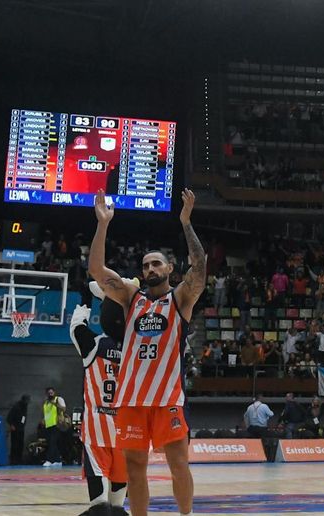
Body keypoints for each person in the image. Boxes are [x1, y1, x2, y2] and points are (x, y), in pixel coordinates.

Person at [89, 189, 206, 516]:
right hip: (131, 400)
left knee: (179, 465)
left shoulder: (181, 298)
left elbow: (200, 268)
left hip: (167, 399)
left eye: (157, 263)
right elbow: (97, 270)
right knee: (134, 467)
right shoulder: (130, 296)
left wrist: (186, 223)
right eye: (146, 265)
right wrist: (102, 225)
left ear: (170, 268)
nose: (150, 268)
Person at [71, 286, 129, 516]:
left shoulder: (93, 345)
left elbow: (76, 326)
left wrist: (85, 298)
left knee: (100, 507)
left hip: (97, 432)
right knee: (117, 507)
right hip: (127, 434)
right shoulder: (135, 349)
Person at [42, 386, 69, 466]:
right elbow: (46, 413)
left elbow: (64, 409)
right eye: (49, 393)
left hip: (56, 424)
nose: (50, 394)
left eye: (52, 392)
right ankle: (57, 460)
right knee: (51, 442)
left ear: (54, 392)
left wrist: (55, 404)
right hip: (48, 425)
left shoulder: (58, 399)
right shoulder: (46, 402)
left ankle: (49, 460)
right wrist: (43, 420)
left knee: (52, 442)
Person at [6, 395, 30, 463]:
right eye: (26, 401)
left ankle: (19, 459)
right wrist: (11, 425)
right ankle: (13, 459)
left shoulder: (25, 407)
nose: (27, 403)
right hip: (15, 428)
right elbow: (9, 418)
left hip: (21, 429)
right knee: (14, 445)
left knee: (20, 444)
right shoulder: (16, 407)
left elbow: (24, 417)